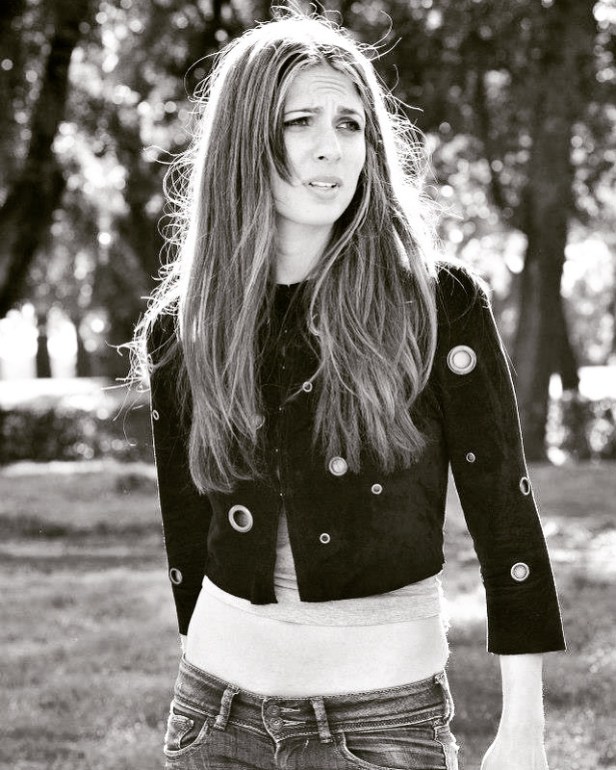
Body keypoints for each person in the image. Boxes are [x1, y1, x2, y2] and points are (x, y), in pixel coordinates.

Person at [131, 10, 565, 770]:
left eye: (350, 124)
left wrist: (524, 727)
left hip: (383, 727)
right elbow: (187, 531)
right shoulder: (185, 325)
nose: (330, 147)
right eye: (298, 121)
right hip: (212, 722)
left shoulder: (436, 304)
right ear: (242, 141)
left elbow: (505, 517)